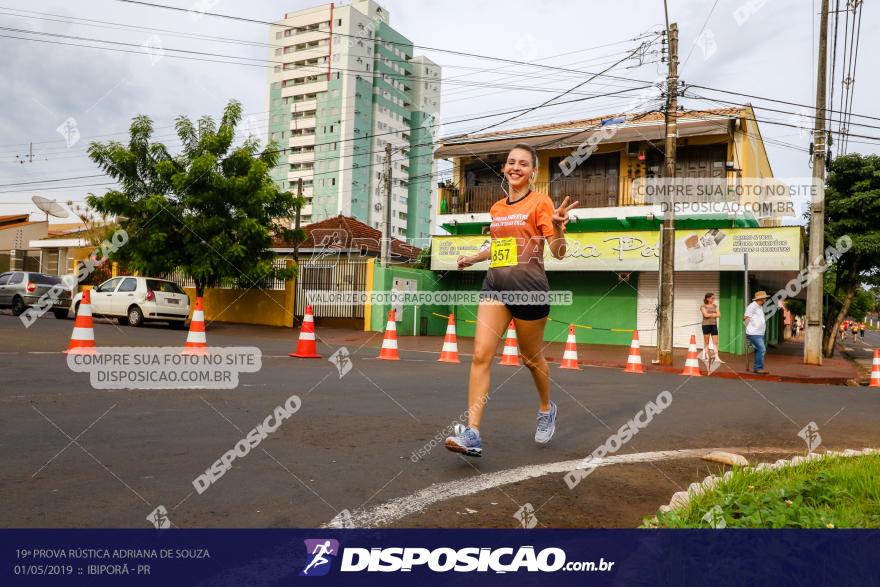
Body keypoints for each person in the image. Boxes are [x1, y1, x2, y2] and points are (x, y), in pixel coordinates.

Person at [445, 143, 578, 458]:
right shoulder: (497, 209)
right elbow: (498, 246)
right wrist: (474, 258)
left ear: (533, 172)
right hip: (495, 286)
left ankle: (547, 408)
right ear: (504, 169)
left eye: (523, 163)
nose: (515, 167)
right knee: (480, 355)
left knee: (530, 358)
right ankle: (473, 433)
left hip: (529, 290)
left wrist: (558, 229)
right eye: (510, 162)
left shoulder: (541, 203)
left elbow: (558, 252)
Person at [744, 291, 770, 374]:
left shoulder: (759, 306)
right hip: (753, 333)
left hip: (759, 333)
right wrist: (750, 328)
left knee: (758, 350)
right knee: (762, 349)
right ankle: (758, 368)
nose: (766, 299)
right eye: (765, 298)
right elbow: (745, 318)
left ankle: (757, 368)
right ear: (761, 298)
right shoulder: (752, 306)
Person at [700, 293, 722, 364]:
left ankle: (717, 357)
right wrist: (713, 314)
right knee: (706, 342)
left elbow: (719, 315)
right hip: (706, 325)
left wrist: (711, 314)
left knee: (715, 342)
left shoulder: (715, 306)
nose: (713, 299)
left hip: (714, 325)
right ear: (708, 298)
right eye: (712, 298)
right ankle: (707, 357)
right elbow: (705, 315)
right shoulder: (703, 306)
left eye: (714, 298)